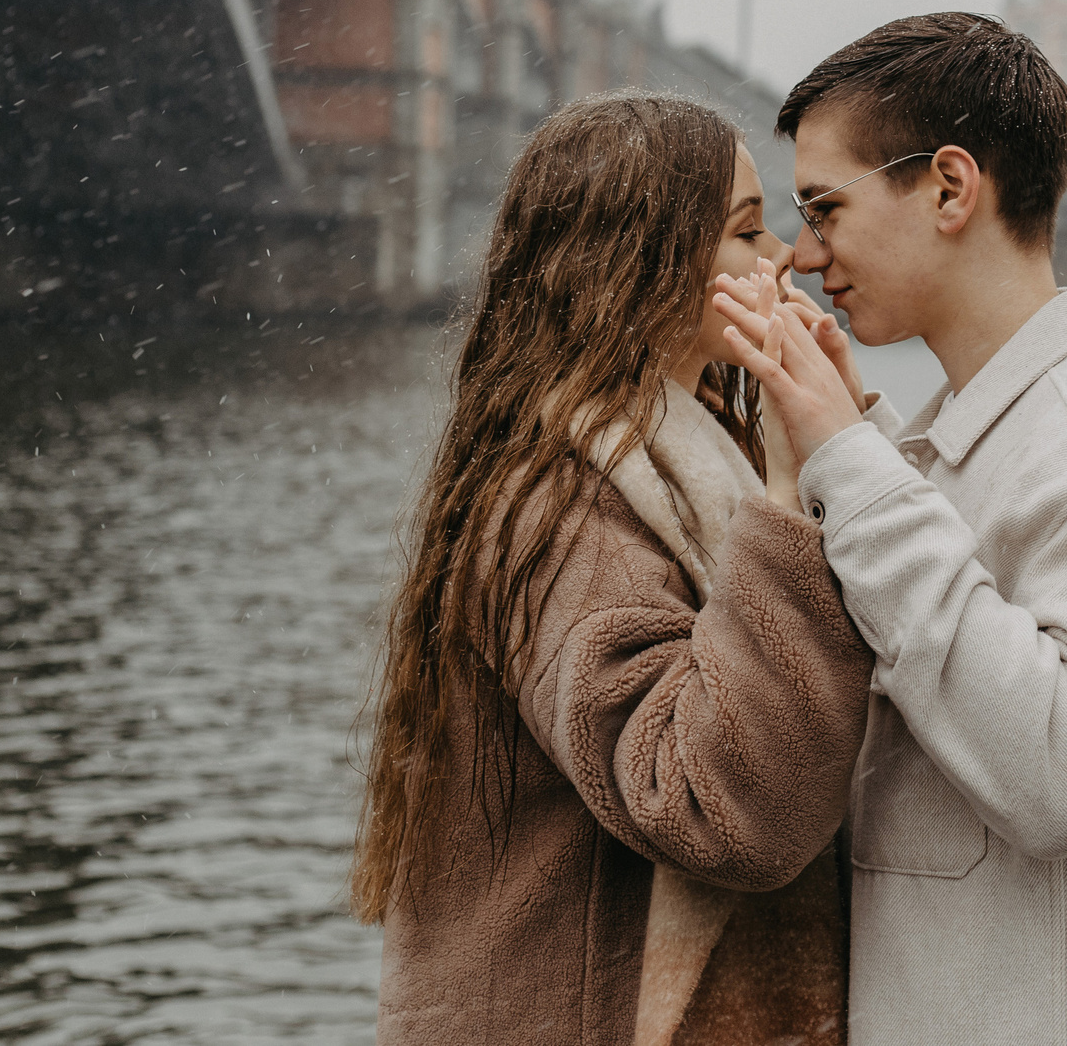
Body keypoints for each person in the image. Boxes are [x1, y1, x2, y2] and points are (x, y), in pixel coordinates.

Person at [713, 13, 1067, 1046]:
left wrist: (854, 470)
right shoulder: (993, 429)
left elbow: (1061, 773)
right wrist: (857, 438)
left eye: (824, 208)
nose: (805, 254)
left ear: (950, 187)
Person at [354, 90, 873, 1046]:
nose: (785, 259)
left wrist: (851, 467)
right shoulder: (554, 504)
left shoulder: (680, 452)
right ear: (640, 262)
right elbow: (721, 809)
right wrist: (798, 498)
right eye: (748, 232)